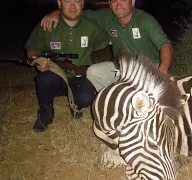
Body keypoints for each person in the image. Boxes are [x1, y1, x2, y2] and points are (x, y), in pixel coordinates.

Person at [40, 0, 173, 91]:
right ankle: (110, 98)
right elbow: (75, 13)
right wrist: (56, 12)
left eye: (123, 0)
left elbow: (166, 45)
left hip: (148, 66)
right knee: (93, 72)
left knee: (144, 94)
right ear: (109, 4)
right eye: (114, 1)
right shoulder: (106, 17)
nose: (118, 5)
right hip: (121, 66)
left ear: (132, 2)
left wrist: (161, 71)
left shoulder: (145, 20)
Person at [25, 0, 110, 132]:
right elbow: (31, 49)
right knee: (43, 79)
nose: (72, 5)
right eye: (67, 1)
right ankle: (46, 112)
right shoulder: (48, 23)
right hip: (55, 75)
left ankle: (76, 107)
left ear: (82, 4)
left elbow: (106, 39)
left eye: (76, 1)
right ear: (59, 4)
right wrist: (37, 61)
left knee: (86, 97)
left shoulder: (92, 27)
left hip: (79, 77)